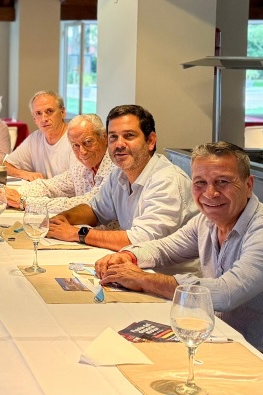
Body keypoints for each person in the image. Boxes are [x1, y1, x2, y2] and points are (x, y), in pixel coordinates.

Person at [95, 142, 263, 350]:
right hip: (218, 337)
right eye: (200, 183)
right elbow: (165, 248)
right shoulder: (206, 221)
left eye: (222, 182)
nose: (210, 193)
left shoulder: (259, 229)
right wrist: (129, 256)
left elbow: (226, 293)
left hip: (254, 353)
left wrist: (143, 279)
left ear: (249, 185)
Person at [48, 105, 198, 251]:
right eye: (113, 137)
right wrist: (64, 218)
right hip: (135, 263)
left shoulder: (167, 180)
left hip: (167, 268)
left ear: (151, 141)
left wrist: (77, 234)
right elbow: (95, 210)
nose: (119, 144)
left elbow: (142, 241)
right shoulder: (119, 175)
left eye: (129, 136)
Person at [0, 113, 116, 213]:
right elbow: (50, 186)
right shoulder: (82, 168)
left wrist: (24, 202)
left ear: (104, 137)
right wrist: (13, 194)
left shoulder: (114, 168)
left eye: (88, 142)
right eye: (75, 145)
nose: (82, 151)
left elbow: (86, 204)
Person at [3, 90, 76, 180]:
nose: (44, 119)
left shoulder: (76, 139)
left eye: (49, 111)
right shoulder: (34, 139)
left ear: (63, 112)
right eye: (38, 113)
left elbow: (75, 180)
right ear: (34, 119)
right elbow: (5, 165)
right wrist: (23, 174)